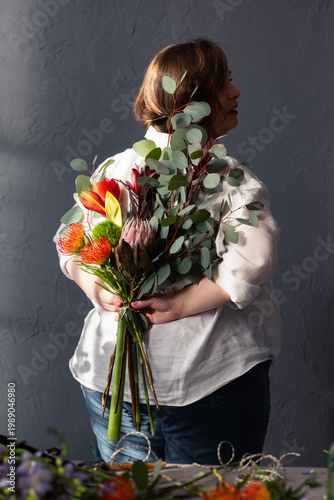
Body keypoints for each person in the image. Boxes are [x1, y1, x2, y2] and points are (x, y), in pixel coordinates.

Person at [54, 38, 281, 465]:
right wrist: (174, 307)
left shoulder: (110, 172)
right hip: (212, 380)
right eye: (223, 83)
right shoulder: (233, 182)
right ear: (190, 102)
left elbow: (72, 245)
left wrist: (95, 288)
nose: (235, 93)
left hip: (111, 384)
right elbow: (253, 262)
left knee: (129, 494)